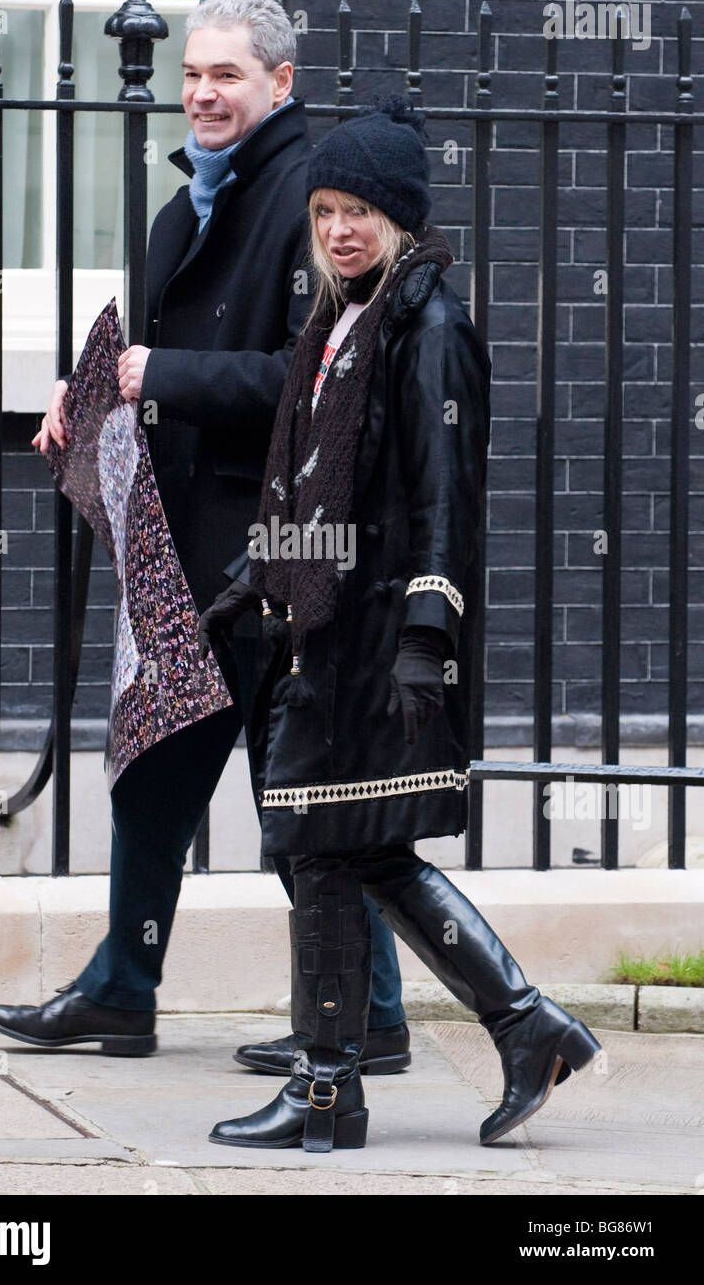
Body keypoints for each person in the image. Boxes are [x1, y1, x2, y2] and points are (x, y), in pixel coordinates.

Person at [0, 0, 411, 1076]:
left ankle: (372, 1015)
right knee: (154, 769)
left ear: (279, 82)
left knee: (296, 793)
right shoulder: (191, 208)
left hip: (274, 552)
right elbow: (145, 365)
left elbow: (314, 377)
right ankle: (124, 989)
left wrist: (158, 374)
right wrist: (84, 397)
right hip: (183, 555)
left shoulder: (309, 201)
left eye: (226, 75)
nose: (202, 94)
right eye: (190, 76)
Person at [197, 97, 602, 1152]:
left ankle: (331, 1089)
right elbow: (322, 487)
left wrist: (431, 630)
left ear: (403, 218)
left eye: (362, 210)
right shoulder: (341, 321)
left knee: (323, 846)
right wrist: (255, 577)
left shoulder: (427, 327)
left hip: (378, 643)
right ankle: (523, 1025)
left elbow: (441, 501)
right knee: (349, 849)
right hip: (323, 630)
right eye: (326, 208)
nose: (339, 228)